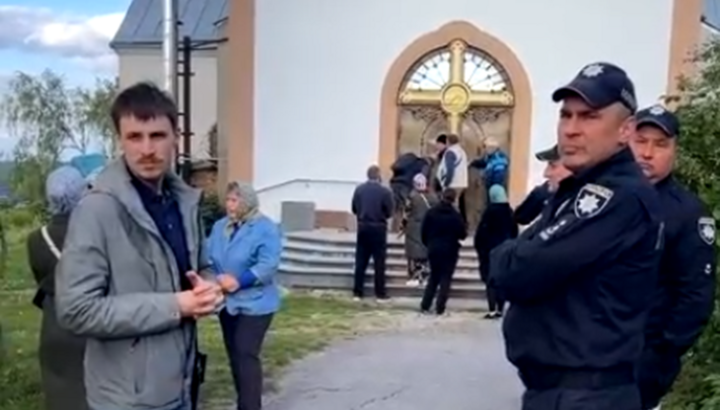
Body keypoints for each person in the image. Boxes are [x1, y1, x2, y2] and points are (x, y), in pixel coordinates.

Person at [491, 62, 664, 410]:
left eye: (589, 117)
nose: (571, 129)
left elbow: (514, 273)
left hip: (587, 395)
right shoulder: (579, 188)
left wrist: (512, 253)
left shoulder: (615, 197)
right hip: (561, 393)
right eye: (565, 116)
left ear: (625, 130)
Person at [55, 82, 224, 410]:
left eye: (158, 136)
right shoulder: (97, 209)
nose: (147, 149)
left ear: (176, 136)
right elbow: (76, 310)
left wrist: (210, 287)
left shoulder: (182, 202)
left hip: (181, 385)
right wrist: (177, 305)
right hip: (125, 399)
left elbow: (200, 268)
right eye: (135, 137)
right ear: (120, 140)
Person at [629, 105, 716, 410]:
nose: (648, 153)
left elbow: (695, 297)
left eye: (661, 144)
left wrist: (660, 356)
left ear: (674, 151)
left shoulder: (688, 213)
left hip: (640, 363)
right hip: (586, 358)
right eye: (641, 141)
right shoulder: (602, 198)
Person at [206, 181, 282, 410]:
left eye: (234, 200)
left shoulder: (265, 228)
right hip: (228, 304)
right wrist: (214, 278)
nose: (229, 205)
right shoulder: (220, 227)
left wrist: (239, 281)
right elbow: (208, 257)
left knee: (246, 351)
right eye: (228, 199)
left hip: (256, 303)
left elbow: (268, 265)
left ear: (247, 202)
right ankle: (244, 400)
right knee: (235, 356)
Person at [27, 166, 88, 410]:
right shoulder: (92, 235)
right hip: (89, 325)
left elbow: (40, 279)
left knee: (58, 396)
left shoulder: (35, 239)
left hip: (53, 327)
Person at [419, 188, 467, 315]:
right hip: (450, 250)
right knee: (446, 278)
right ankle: (440, 307)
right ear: (454, 199)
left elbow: (423, 232)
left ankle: (425, 305)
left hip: (434, 248)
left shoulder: (431, 213)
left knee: (433, 277)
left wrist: (429, 243)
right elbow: (463, 234)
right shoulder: (456, 216)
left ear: (441, 196)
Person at [473, 184, 518, 319]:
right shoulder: (509, 212)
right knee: (501, 280)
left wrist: (480, 248)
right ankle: (500, 307)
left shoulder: (489, 212)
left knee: (490, 281)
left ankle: (492, 309)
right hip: (505, 251)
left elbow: (482, 233)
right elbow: (514, 232)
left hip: (490, 252)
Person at [351, 165, 393, 301]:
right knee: (379, 262)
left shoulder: (359, 190)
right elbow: (389, 211)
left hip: (363, 226)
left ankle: (358, 292)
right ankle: (380, 293)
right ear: (378, 175)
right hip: (378, 228)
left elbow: (354, 208)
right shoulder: (385, 192)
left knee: (361, 260)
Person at [513, 145, 572, 225]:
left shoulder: (581, 209)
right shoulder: (545, 192)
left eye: (553, 166)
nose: (546, 174)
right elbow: (521, 218)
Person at [400, 173, 438, 287]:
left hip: (413, 229)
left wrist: (402, 226)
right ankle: (426, 276)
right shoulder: (433, 197)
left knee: (414, 254)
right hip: (428, 229)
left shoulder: (411, 196)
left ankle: (415, 277)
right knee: (426, 253)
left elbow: (406, 214)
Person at [389, 152, 431, 231]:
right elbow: (422, 176)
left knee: (397, 209)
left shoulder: (402, 162)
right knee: (408, 209)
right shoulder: (422, 164)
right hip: (407, 186)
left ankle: (394, 230)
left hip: (395, 185)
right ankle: (405, 230)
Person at [435, 133, 468, 200]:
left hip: (453, 183)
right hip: (462, 182)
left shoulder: (450, 152)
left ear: (448, 141)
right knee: (455, 202)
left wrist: (446, 182)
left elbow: (450, 169)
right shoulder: (462, 151)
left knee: (451, 203)